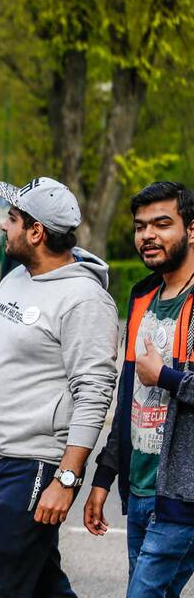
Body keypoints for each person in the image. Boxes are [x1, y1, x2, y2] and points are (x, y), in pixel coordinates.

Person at [0, 177, 119, 597]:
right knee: (40, 584)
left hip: (35, 465)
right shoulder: (15, 279)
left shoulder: (84, 300)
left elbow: (94, 393)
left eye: (12, 218)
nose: (4, 226)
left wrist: (67, 480)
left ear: (36, 232)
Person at [85, 182, 194, 597]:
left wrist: (166, 377)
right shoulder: (142, 295)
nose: (147, 235)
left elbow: (155, 380)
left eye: (162, 224)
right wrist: (105, 476)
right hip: (141, 490)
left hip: (183, 497)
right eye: (140, 226)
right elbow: (128, 393)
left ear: (192, 229)